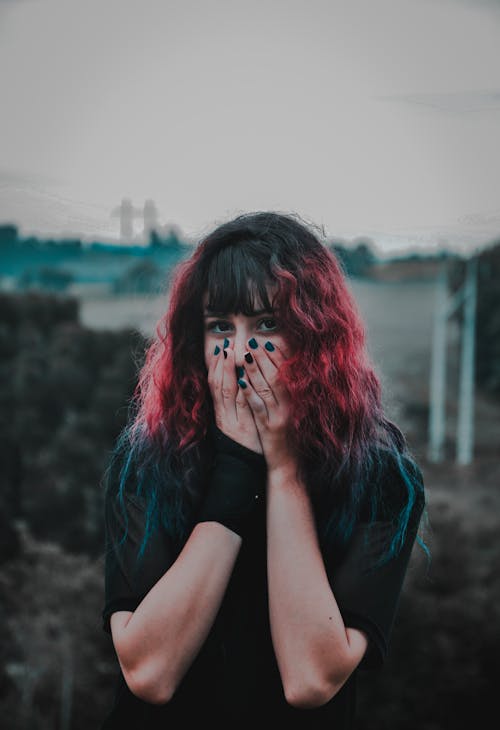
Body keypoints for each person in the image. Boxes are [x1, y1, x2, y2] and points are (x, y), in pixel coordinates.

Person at [100, 210, 428, 729]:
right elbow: (149, 672)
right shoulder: (149, 460)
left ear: (315, 337)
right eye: (220, 327)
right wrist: (237, 468)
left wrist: (283, 469)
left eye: (267, 324)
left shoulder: (381, 477)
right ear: (195, 341)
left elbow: (310, 679)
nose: (240, 352)